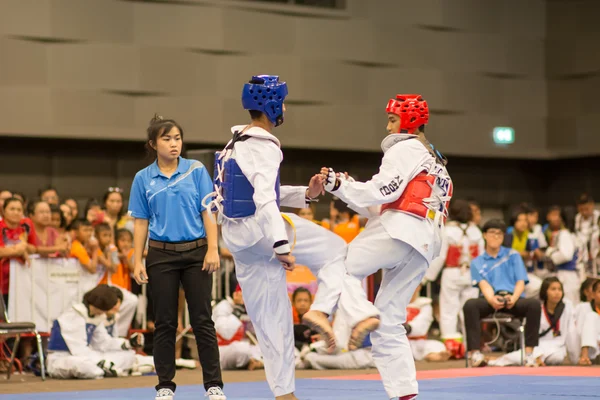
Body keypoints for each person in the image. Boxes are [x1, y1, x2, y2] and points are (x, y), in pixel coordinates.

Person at [207, 75, 378, 400]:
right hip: (262, 231)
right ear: (272, 106)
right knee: (337, 250)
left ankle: (284, 393)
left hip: (239, 239)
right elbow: (265, 201)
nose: (284, 107)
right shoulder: (265, 145)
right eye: (282, 102)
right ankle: (342, 312)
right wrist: (281, 245)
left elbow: (250, 193)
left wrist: (306, 194)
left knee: (272, 319)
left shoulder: (234, 144)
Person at [320, 94, 452, 400]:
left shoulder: (405, 148)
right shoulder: (435, 160)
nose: (387, 125)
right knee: (390, 321)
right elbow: (381, 203)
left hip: (400, 229)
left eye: (392, 119)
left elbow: (381, 190)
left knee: (335, 265)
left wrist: (340, 185)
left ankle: (362, 313)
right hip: (423, 243)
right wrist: (345, 188)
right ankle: (405, 393)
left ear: (408, 122)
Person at [128, 115, 225, 400]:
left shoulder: (195, 170)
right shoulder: (142, 178)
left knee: (203, 320)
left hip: (197, 253)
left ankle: (213, 385)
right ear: (153, 144)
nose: (174, 144)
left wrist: (212, 248)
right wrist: (136, 260)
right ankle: (165, 386)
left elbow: (209, 211)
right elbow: (140, 221)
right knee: (165, 322)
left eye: (177, 138)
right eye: (167, 139)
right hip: (160, 255)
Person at [463, 219, 542, 368]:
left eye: (499, 234)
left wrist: (513, 297)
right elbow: (483, 284)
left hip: (513, 299)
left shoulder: (513, 255)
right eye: (492, 233)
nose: (496, 237)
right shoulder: (477, 262)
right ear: (485, 235)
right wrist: (492, 299)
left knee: (534, 305)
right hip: (490, 300)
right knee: (470, 305)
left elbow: (520, 281)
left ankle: (529, 354)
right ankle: (475, 354)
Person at [423, 199, 482, 358]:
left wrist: (427, 277)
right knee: (469, 311)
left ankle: (451, 348)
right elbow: (481, 256)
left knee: (449, 310)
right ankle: (472, 348)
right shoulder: (475, 231)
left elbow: (440, 257)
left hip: (452, 273)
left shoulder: (447, 231)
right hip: (471, 274)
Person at [46, 284, 144, 379]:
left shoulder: (97, 317)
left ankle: (107, 370)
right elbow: (80, 350)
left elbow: (103, 342)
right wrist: (102, 363)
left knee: (128, 355)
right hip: (62, 358)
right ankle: (106, 370)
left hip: (87, 356)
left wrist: (127, 343)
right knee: (85, 367)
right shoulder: (74, 316)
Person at [489, 277, 573, 366]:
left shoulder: (567, 308)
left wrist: (575, 358)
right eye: (553, 289)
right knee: (519, 357)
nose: (557, 292)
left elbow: (572, 333)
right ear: (545, 291)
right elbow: (529, 332)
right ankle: (498, 360)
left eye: (559, 289)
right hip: (537, 346)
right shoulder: (536, 309)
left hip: (558, 346)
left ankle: (539, 359)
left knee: (557, 358)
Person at [213, 285, 263, 371]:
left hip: (242, 346)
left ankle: (256, 362)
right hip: (221, 351)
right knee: (242, 349)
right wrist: (238, 308)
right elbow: (225, 333)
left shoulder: (250, 307)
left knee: (277, 349)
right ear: (236, 294)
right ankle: (256, 362)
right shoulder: (223, 306)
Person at [543, 206, 582, 304]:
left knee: (568, 304)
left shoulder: (565, 234)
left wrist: (550, 253)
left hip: (567, 275)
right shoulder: (574, 234)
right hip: (572, 275)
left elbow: (566, 255)